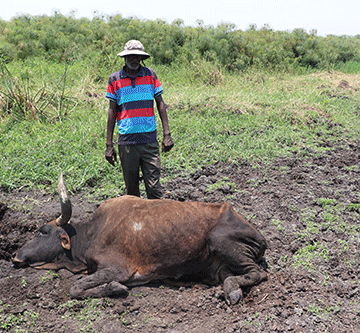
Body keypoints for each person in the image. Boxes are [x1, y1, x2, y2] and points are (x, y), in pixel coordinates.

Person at [105, 40, 174, 199]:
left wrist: (167, 134)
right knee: (132, 192)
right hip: (127, 143)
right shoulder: (114, 79)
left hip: (149, 141)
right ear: (125, 57)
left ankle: (155, 223)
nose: (134, 59)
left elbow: (160, 104)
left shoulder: (150, 74)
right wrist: (109, 145)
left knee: (154, 189)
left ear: (142, 58)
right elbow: (112, 111)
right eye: (131, 56)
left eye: (137, 56)